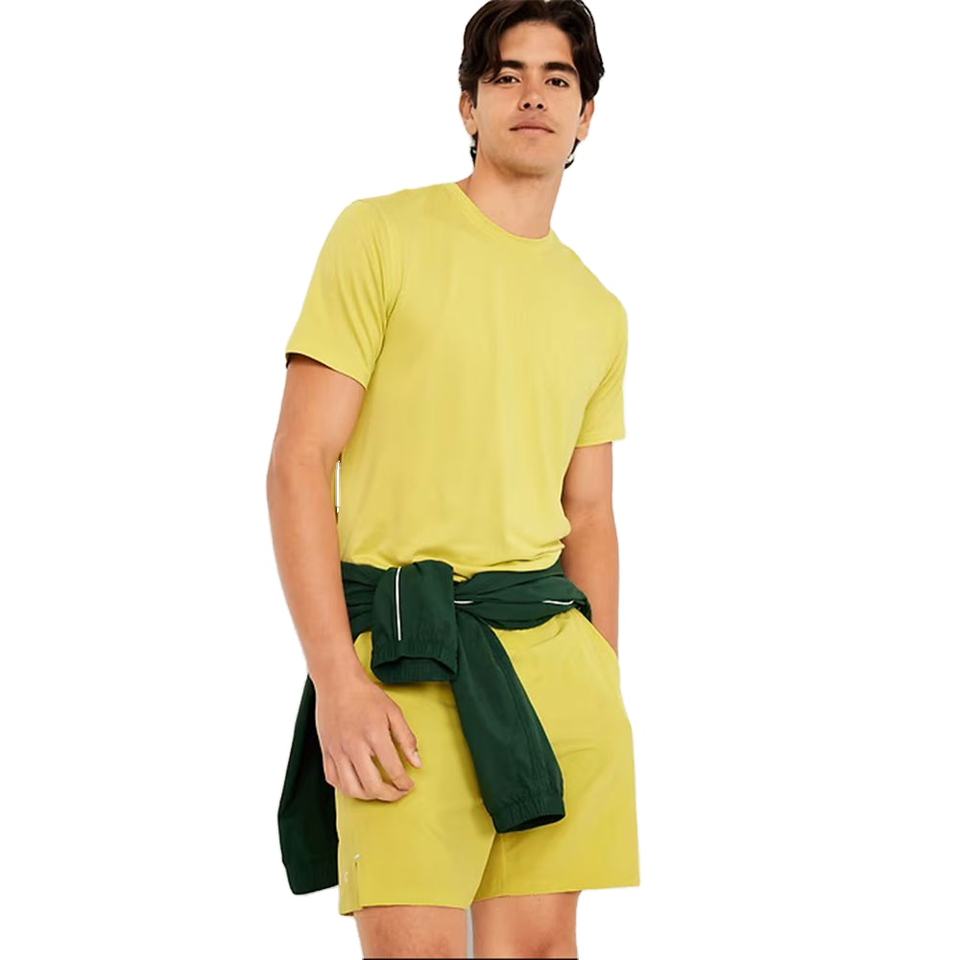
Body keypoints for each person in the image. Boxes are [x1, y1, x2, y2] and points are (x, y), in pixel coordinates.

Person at [266, 1, 640, 955]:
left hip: (555, 665)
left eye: (558, 79)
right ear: (469, 105)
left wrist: (601, 678)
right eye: (507, 75)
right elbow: (300, 461)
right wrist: (336, 678)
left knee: (540, 951)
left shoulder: (598, 310)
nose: (533, 96)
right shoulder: (381, 235)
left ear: (587, 116)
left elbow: (590, 511)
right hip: (406, 660)